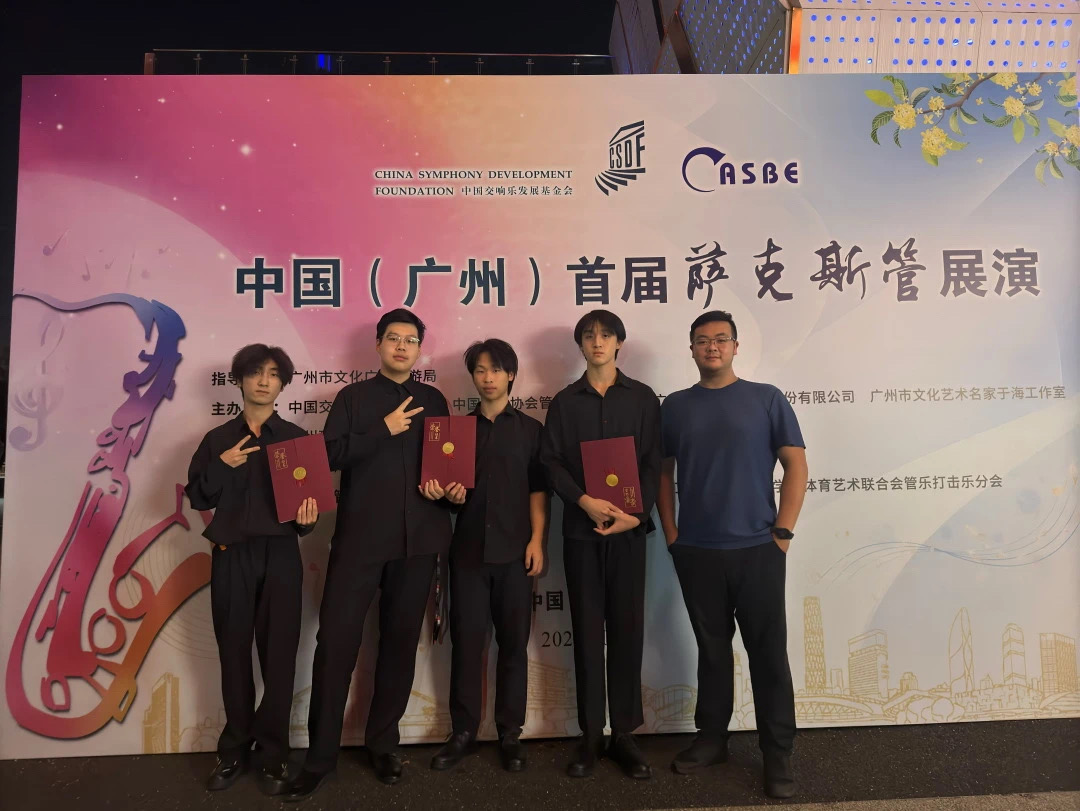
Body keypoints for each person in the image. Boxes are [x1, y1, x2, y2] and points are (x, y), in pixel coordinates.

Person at [285, 309, 453, 800]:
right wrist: (384, 429)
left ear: (419, 348)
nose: (402, 346)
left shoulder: (434, 400)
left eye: (411, 340)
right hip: (359, 541)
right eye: (393, 338)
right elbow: (328, 456)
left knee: (399, 645)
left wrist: (448, 489)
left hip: (418, 540)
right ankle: (320, 758)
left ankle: (383, 744)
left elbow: (446, 465)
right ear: (378, 345)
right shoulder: (352, 398)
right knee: (335, 645)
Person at [656, 309, 808, 800]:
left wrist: (782, 532)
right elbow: (662, 472)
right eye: (702, 340)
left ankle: (777, 753)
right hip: (697, 550)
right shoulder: (676, 406)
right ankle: (712, 739)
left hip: (758, 548)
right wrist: (673, 533)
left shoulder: (766, 398)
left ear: (736, 346)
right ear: (692, 349)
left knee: (768, 654)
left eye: (721, 339)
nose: (712, 347)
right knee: (712, 651)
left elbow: (796, 465)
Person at [185, 344, 318, 795]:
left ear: (283, 384)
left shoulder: (296, 438)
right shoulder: (217, 439)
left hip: (280, 556)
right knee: (234, 654)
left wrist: (307, 520)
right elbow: (198, 496)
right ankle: (234, 750)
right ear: (239, 380)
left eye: (273, 374)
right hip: (231, 556)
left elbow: (307, 511)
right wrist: (223, 465)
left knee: (279, 658)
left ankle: (274, 753)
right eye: (255, 372)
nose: (264, 380)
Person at [540, 309, 661, 779]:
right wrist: (583, 501)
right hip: (581, 531)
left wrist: (637, 515)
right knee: (588, 632)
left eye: (606, 335)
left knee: (627, 629)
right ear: (580, 345)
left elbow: (652, 462)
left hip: (629, 533)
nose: (597, 342)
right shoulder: (564, 403)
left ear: (619, 343)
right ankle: (590, 734)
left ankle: (624, 734)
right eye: (589, 335)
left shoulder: (643, 398)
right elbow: (551, 463)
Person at [429, 339, 548, 774]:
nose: (488, 378)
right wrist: (451, 496)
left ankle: (510, 733)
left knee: (514, 645)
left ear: (511, 374)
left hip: (517, 553)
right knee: (467, 644)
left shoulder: (531, 430)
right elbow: (446, 496)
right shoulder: (457, 433)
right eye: (480, 370)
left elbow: (539, 491)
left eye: (496, 369)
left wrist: (537, 541)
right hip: (468, 554)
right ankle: (462, 732)